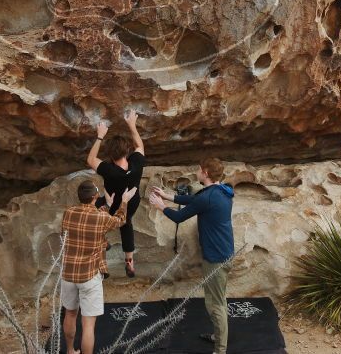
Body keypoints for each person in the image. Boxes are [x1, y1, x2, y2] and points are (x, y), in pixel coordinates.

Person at [148, 158, 235, 354]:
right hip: (225, 252)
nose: (196, 171)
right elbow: (196, 201)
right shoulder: (223, 191)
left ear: (205, 172)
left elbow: (180, 216)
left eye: (198, 169)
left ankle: (220, 349)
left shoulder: (208, 197)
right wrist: (168, 196)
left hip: (216, 258)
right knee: (218, 299)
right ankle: (219, 336)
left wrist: (160, 205)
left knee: (215, 303)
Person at [61, 179, 137, 354]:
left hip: (68, 273)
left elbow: (90, 218)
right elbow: (120, 220)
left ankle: (71, 351)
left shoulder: (68, 213)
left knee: (70, 314)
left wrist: (107, 205)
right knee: (88, 325)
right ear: (95, 197)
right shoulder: (100, 217)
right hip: (89, 275)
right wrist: (124, 201)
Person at [86, 109, 145, 278]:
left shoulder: (109, 170)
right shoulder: (137, 163)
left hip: (111, 205)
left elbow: (90, 160)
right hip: (131, 203)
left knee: (92, 212)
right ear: (127, 152)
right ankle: (129, 261)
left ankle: (103, 242)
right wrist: (131, 125)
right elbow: (140, 146)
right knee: (126, 223)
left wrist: (100, 136)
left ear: (110, 156)